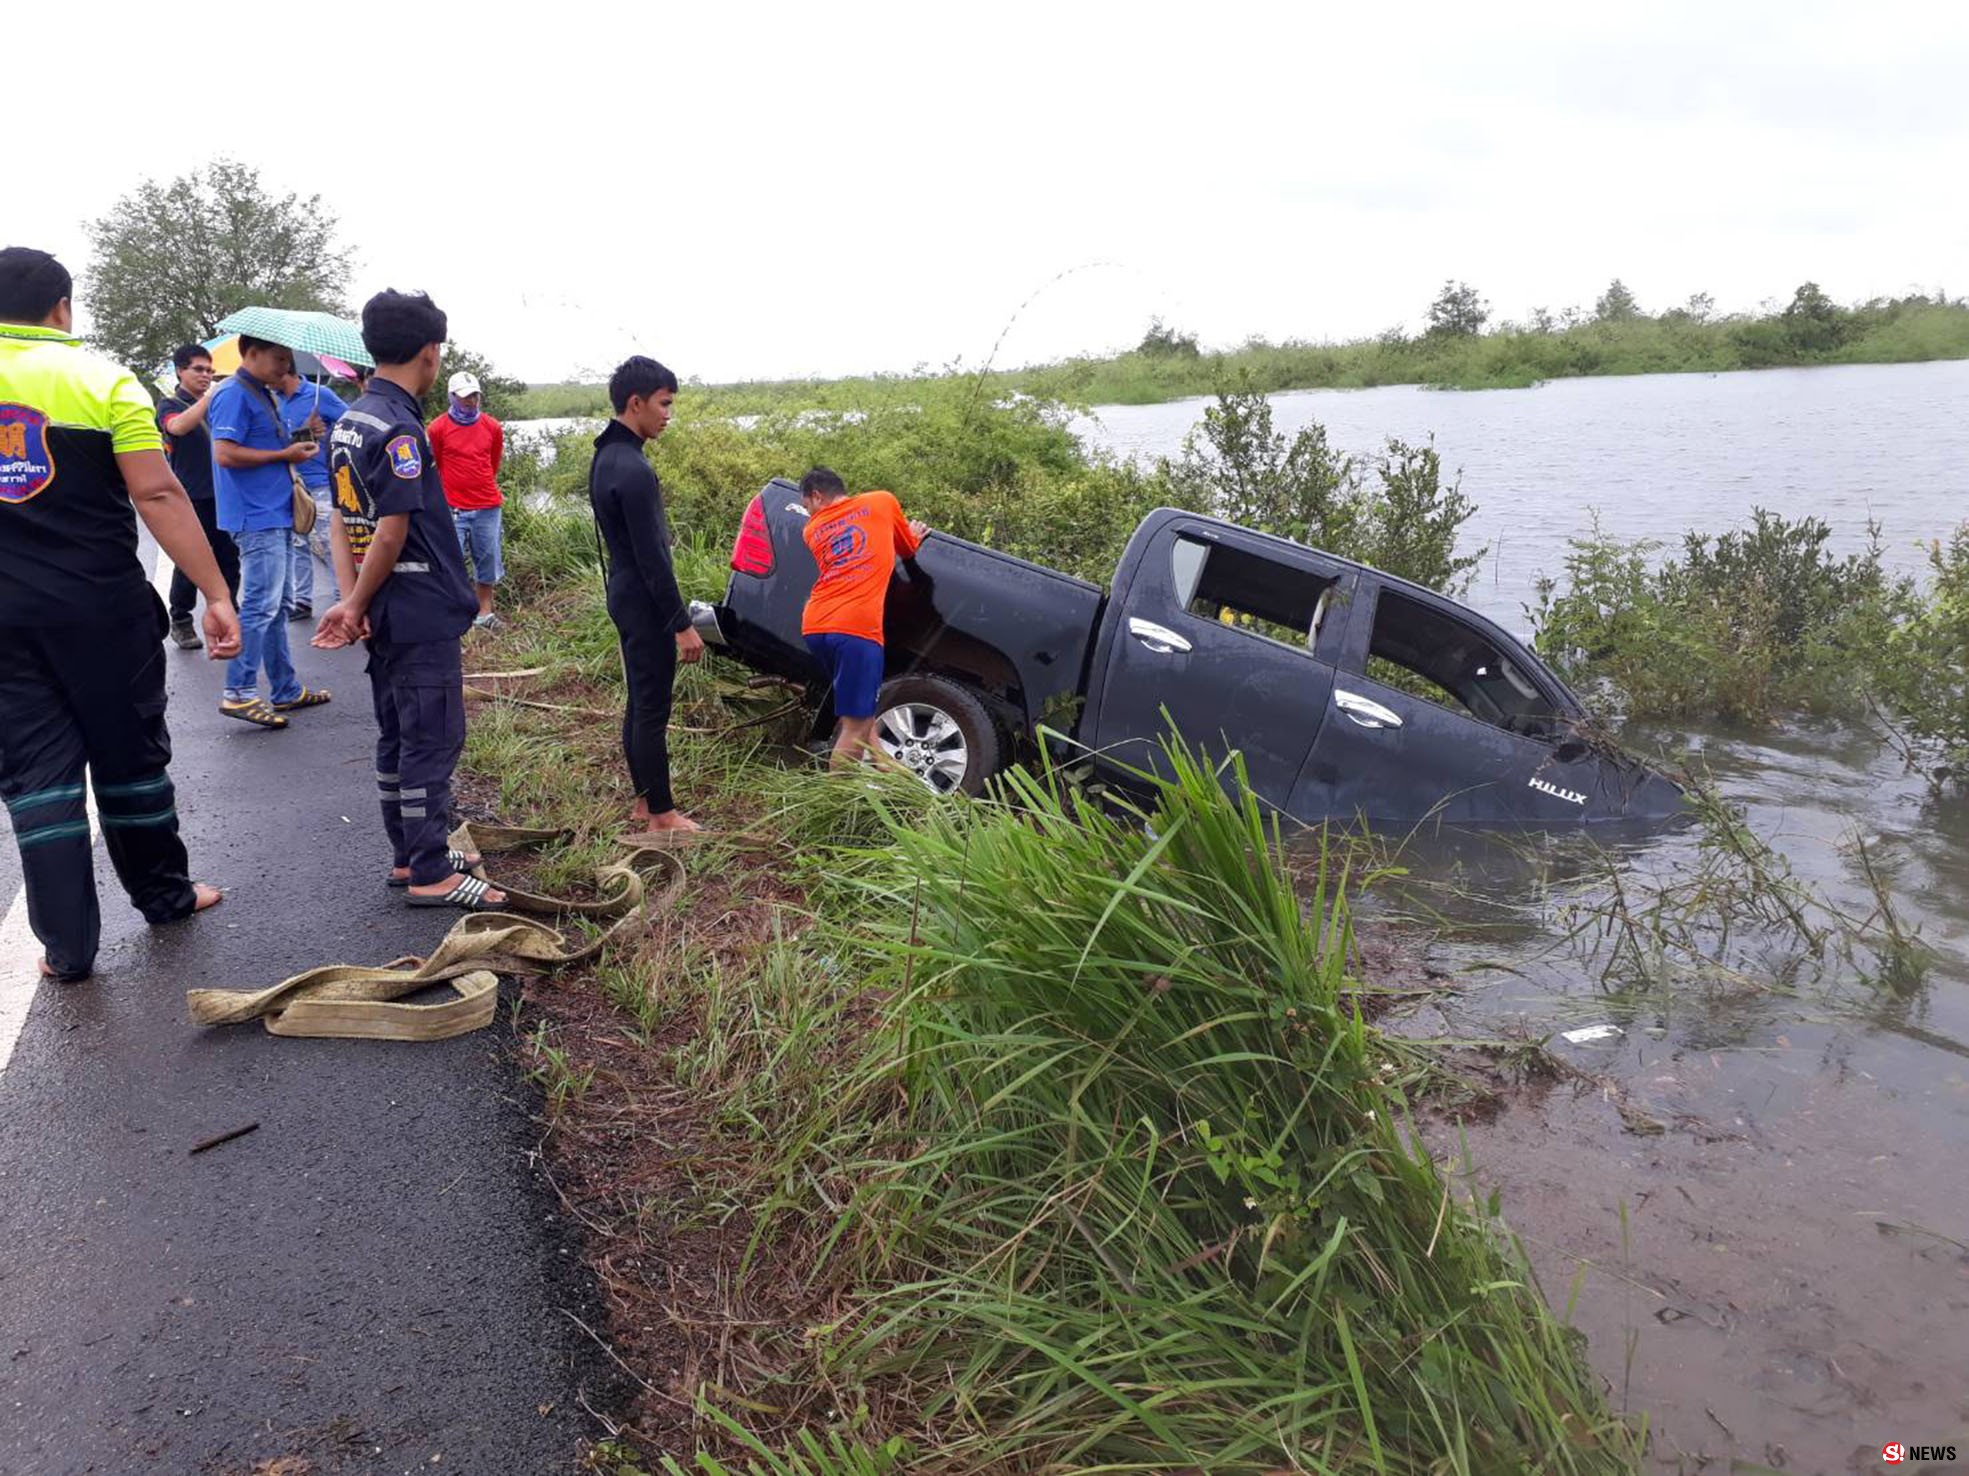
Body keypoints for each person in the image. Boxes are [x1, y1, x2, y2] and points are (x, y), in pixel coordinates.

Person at [0, 246, 238, 982]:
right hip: (102, 607)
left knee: (36, 775)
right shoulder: (104, 382)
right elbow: (159, 494)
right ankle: (164, 897)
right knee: (130, 754)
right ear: (62, 308)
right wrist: (216, 594)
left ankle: (68, 949)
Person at [313, 290, 505, 911]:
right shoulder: (399, 429)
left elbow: (342, 522)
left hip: (384, 609)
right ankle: (429, 870)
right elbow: (391, 530)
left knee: (398, 734)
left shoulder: (347, 421)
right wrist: (354, 603)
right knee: (432, 738)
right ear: (431, 352)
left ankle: (409, 852)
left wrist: (351, 602)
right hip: (417, 606)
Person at [586, 356, 704, 837]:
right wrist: (681, 623)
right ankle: (662, 815)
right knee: (652, 707)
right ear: (636, 403)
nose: (668, 414)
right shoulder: (632, 468)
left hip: (623, 591)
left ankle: (643, 801)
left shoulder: (606, 455)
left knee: (640, 700)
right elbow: (653, 557)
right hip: (644, 597)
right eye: (664, 403)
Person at [209, 335, 331, 728]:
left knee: (277, 606)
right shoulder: (232, 394)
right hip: (255, 514)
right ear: (251, 354)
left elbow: (276, 448)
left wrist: (308, 437)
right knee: (261, 605)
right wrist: (285, 454)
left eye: (288, 360)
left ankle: (285, 689)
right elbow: (225, 453)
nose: (285, 367)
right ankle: (239, 692)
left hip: (276, 510)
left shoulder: (264, 394)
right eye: (279, 359)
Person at [797, 466, 927, 768]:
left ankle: (884, 765)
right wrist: (914, 537)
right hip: (856, 629)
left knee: (856, 711)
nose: (808, 515)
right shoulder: (881, 501)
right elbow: (906, 549)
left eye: (806, 508)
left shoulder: (812, 531)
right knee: (855, 725)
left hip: (816, 626)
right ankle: (835, 804)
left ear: (817, 496)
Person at [157, 343, 240, 649]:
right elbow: (177, 428)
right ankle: (180, 619)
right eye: (199, 369)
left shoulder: (217, 404)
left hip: (224, 493)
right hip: (192, 496)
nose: (206, 375)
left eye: (210, 370)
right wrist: (208, 398)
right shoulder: (170, 404)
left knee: (229, 558)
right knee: (191, 561)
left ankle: (230, 611)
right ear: (181, 371)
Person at [425, 370, 505, 629]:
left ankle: (484, 613)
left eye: (474, 396)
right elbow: (436, 462)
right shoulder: (437, 428)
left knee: (487, 560)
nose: (470, 401)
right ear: (452, 397)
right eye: (464, 397)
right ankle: (457, 613)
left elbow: (493, 463)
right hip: (453, 507)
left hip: (487, 506)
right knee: (451, 561)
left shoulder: (492, 426)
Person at [274, 365, 348, 622]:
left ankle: (344, 599)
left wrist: (327, 432)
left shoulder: (321, 395)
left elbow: (351, 424)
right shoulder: (274, 401)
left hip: (322, 482)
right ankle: (302, 599)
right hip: (292, 483)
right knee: (298, 544)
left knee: (330, 544)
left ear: (286, 370)